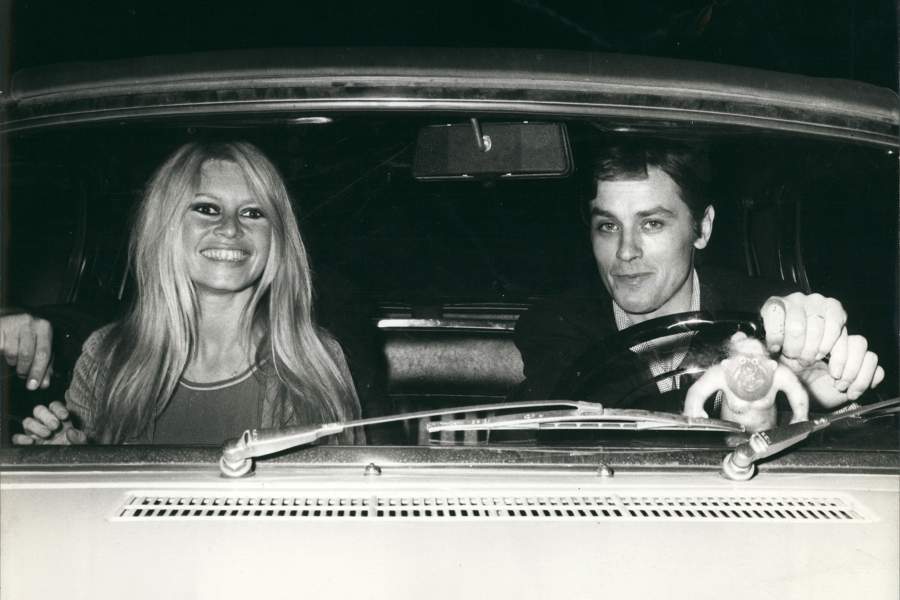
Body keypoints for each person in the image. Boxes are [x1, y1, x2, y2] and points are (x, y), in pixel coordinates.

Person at [6, 141, 363, 445]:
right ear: (165, 228)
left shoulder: (314, 360)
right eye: (207, 209)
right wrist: (64, 454)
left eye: (253, 213)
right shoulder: (106, 356)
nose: (229, 228)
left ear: (278, 241)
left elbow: (346, 504)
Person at [514, 139, 884, 413]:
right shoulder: (553, 323)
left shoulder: (769, 312)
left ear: (702, 229)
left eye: (652, 223)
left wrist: (815, 388)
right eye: (608, 226)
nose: (626, 251)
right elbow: (592, 425)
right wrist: (743, 391)